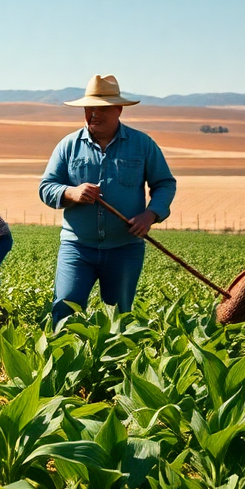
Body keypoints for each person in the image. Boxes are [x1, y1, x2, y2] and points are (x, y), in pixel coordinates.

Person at [38, 75, 176, 327]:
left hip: (125, 248)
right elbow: (46, 188)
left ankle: (115, 366)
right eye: (88, 108)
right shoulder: (68, 146)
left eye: (101, 109)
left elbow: (165, 183)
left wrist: (151, 214)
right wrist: (72, 193)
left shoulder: (142, 144)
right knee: (64, 310)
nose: (93, 114)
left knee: (119, 318)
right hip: (77, 247)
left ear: (119, 109)